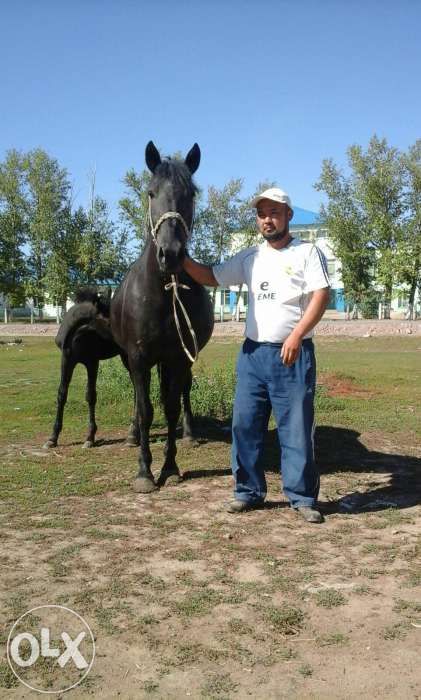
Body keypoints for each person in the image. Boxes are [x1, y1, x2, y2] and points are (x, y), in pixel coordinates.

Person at [183, 188, 330, 523]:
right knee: (245, 425)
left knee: (296, 428)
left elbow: (322, 295)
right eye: (262, 213)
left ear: (288, 215)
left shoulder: (308, 253)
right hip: (252, 355)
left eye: (274, 212)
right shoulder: (250, 257)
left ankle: (303, 498)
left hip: (293, 354)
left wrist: (295, 335)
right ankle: (247, 492)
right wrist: (182, 259)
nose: (267, 219)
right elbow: (212, 276)